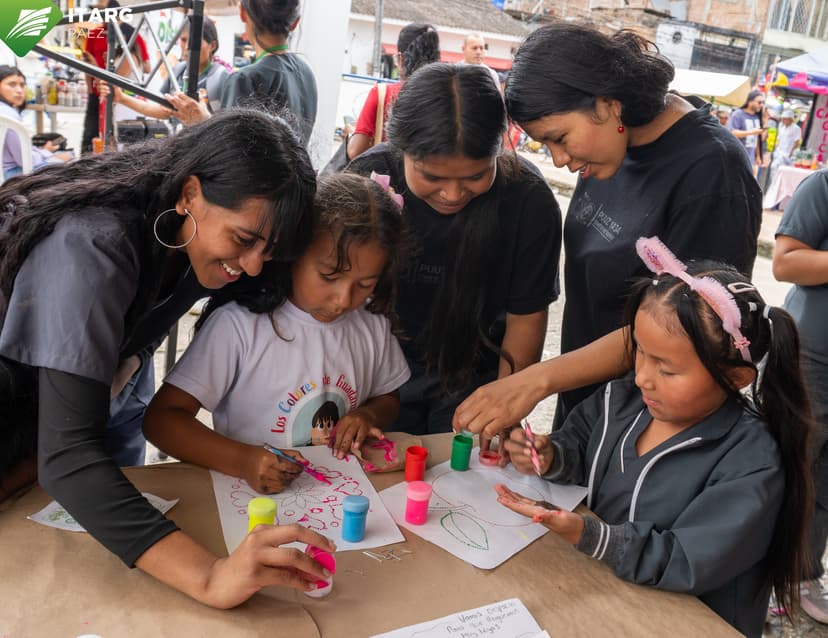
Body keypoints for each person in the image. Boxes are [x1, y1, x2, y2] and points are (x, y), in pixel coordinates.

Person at [0, 109, 338, 606]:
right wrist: (210, 577)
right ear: (190, 193)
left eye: (269, 250)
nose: (252, 266)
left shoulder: (188, 239)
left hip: (48, 427)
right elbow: (69, 456)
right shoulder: (92, 247)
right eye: (243, 240)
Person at [452, 23, 761, 440]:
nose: (558, 160)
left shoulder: (712, 171)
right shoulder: (609, 150)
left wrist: (537, 380)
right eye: (545, 145)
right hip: (585, 411)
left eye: (560, 138)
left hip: (647, 425)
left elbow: (690, 327)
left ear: (607, 104)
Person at [498, 237, 813, 638]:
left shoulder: (752, 459)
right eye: (640, 353)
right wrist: (552, 456)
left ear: (735, 377)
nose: (643, 377)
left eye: (667, 370)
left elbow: (688, 559)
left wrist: (590, 535)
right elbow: (580, 445)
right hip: (604, 598)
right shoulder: (621, 401)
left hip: (687, 624)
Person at [142, 172, 411, 491]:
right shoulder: (240, 326)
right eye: (329, 276)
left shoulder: (371, 323)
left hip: (339, 494)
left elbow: (388, 396)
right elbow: (162, 420)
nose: (343, 300)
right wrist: (243, 461)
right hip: (250, 500)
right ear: (292, 256)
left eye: (365, 284)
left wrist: (368, 416)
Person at [347, 62, 562, 435]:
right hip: (374, 375)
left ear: (499, 148)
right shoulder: (367, 182)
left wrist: (505, 406)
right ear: (401, 149)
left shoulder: (528, 201)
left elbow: (526, 318)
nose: (452, 194)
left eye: (475, 176)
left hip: (475, 379)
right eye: (432, 176)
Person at [772, 170, 828, 623]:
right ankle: (759, 574)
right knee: (791, 465)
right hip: (811, 358)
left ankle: (801, 574)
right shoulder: (822, 187)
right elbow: (785, 262)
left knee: (823, 480)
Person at [166, 0, 317, 145]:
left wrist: (202, 121)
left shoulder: (245, 79)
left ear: (243, 13)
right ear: (295, 22)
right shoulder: (306, 71)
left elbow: (231, 151)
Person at [346, 23, 440, 161]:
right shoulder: (446, 97)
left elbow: (355, 151)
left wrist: (351, 134)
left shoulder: (382, 93)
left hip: (386, 174)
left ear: (400, 59)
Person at [104, 19, 230, 121]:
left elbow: (229, 127)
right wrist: (122, 98)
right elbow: (163, 111)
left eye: (195, 41)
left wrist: (203, 119)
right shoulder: (178, 71)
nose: (187, 47)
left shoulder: (222, 77)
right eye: (184, 40)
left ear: (213, 46)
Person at [81, 0, 151, 153]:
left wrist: (100, 66)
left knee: (115, 140)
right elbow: (87, 67)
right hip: (101, 94)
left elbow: (146, 68)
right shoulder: (95, 34)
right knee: (95, 138)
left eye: (103, 12)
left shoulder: (132, 38)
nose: (101, 17)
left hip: (119, 98)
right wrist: (91, 91)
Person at [0, 65, 72, 178]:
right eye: (12, 85)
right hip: (10, 175)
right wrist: (50, 156)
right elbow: (24, 159)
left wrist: (43, 151)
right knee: (69, 159)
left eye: (22, 85)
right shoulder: (7, 114)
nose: (19, 90)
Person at [727, 90, 769, 174]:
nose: (761, 105)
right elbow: (732, 133)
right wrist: (752, 132)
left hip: (751, 160)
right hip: (736, 158)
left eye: (763, 103)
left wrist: (758, 156)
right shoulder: (738, 114)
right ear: (750, 101)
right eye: (759, 102)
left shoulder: (757, 117)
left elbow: (759, 138)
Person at [768, 109, 802, 187]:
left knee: (783, 172)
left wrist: (790, 153)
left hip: (787, 154)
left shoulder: (796, 128)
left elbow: (796, 142)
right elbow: (779, 139)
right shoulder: (781, 126)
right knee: (774, 169)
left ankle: (778, 186)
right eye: (782, 118)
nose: (783, 120)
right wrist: (776, 149)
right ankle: (773, 186)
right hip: (779, 152)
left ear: (790, 119)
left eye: (785, 119)